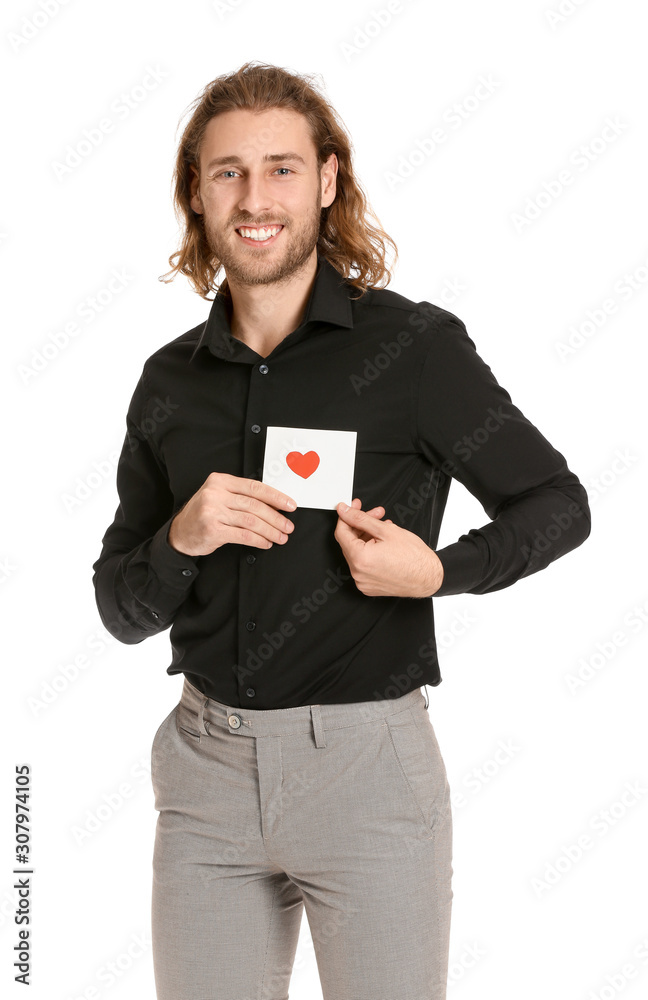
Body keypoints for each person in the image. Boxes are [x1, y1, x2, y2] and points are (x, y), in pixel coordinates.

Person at [92, 60, 591, 1000]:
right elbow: (120, 608)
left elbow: (559, 503)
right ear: (196, 196)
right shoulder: (169, 383)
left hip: (368, 776)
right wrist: (180, 541)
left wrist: (439, 572)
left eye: (281, 168)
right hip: (205, 779)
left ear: (327, 180)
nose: (255, 197)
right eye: (227, 172)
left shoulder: (415, 350)